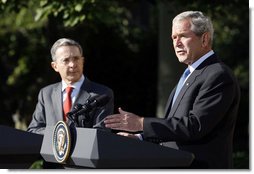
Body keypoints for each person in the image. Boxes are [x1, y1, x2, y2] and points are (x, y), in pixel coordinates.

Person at [104, 11, 240, 169]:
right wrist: (141, 138)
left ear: (204, 39)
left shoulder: (218, 74)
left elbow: (195, 126)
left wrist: (141, 123)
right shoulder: (189, 75)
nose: (177, 43)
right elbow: (175, 129)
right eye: (174, 38)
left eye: (182, 36)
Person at [27, 38, 114, 135]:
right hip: (51, 150)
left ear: (82, 61)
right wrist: (61, 135)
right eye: (66, 60)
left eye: (76, 59)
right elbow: (34, 130)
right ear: (55, 66)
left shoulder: (102, 93)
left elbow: (102, 133)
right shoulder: (46, 93)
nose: (72, 64)